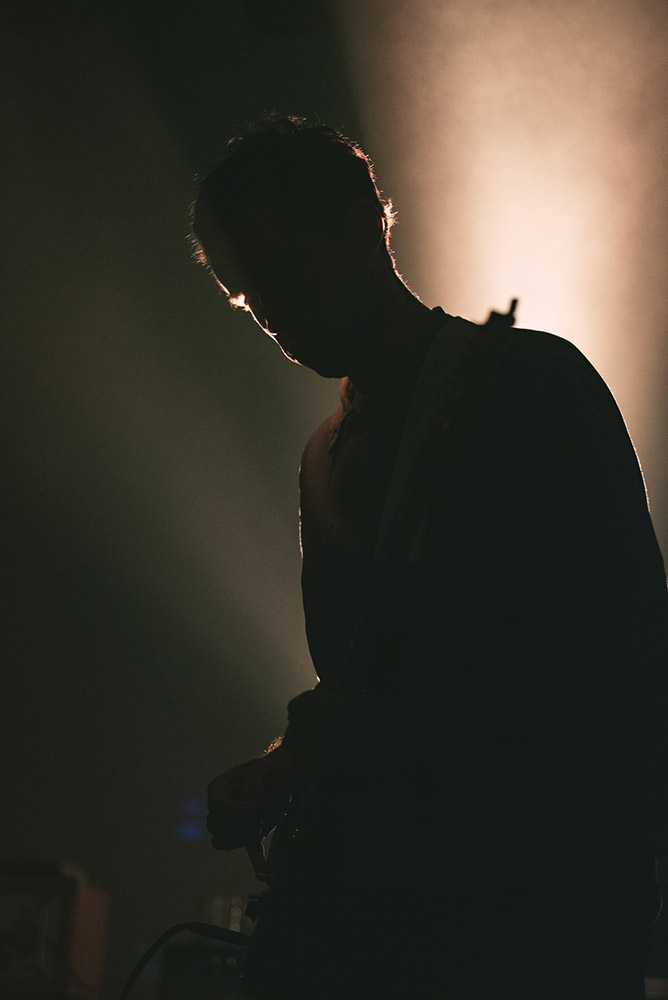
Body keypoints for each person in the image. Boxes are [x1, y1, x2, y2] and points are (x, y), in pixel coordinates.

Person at [191, 115, 668, 999]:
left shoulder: (528, 386)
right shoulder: (321, 457)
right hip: (380, 921)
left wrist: (409, 747)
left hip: (522, 916)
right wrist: (287, 765)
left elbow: (620, 656)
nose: (275, 315)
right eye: (249, 295)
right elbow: (372, 678)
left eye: (284, 270)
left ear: (364, 220)